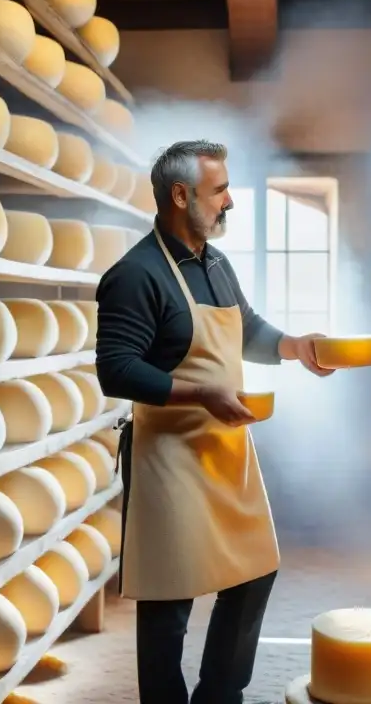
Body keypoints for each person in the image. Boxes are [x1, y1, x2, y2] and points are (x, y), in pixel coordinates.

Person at [95, 139, 333, 704]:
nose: (230, 202)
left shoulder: (216, 262)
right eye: (219, 190)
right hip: (168, 459)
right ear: (181, 195)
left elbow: (245, 328)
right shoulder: (135, 275)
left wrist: (295, 345)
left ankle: (220, 696)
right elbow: (116, 370)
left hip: (226, 450)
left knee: (254, 574)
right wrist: (201, 393)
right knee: (169, 603)